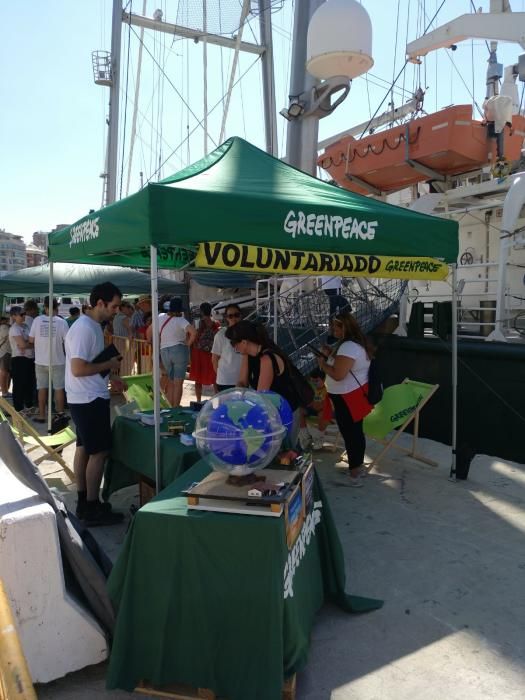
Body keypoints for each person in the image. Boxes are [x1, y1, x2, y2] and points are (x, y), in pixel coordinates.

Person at [65, 282, 126, 526]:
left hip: (85, 396)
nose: (117, 310)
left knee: (84, 448)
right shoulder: (84, 328)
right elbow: (79, 368)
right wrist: (109, 365)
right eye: (114, 306)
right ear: (99, 303)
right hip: (88, 398)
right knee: (99, 452)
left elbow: (89, 363)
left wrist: (111, 376)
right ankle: (91, 505)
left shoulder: (90, 326)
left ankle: (84, 500)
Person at [316, 311, 372, 486]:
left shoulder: (348, 347)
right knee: (355, 432)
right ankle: (358, 469)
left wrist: (322, 364)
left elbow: (338, 374)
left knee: (351, 434)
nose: (332, 329)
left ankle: (354, 474)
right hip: (353, 395)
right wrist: (330, 354)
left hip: (348, 397)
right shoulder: (354, 344)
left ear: (345, 327)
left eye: (335, 326)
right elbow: (345, 364)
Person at [225, 320, 301, 445]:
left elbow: (260, 395)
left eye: (233, 343)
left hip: (285, 412)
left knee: (285, 454)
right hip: (271, 411)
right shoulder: (248, 354)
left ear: (244, 342)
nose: (233, 347)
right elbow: (242, 381)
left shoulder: (267, 359)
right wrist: (238, 394)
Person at [147, 297, 196, 407]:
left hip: (164, 352)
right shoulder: (181, 320)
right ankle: (175, 408)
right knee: (178, 384)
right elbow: (193, 332)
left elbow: (149, 332)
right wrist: (188, 343)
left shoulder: (160, 317)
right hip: (179, 350)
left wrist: (151, 343)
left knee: (171, 381)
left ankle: (170, 407)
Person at [28, 296, 69, 423]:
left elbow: (31, 340)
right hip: (58, 361)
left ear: (44, 307)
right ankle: (60, 414)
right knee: (59, 388)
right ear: (57, 307)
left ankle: (42, 415)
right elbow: (67, 341)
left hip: (40, 361)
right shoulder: (62, 322)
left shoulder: (37, 321)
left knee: (42, 388)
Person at [8, 307, 36, 414]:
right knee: (19, 384)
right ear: (14, 316)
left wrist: (27, 344)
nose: (24, 316)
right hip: (19, 359)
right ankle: (18, 408)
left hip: (29, 358)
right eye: (21, 314)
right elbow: (23, 344)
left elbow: (31, 341)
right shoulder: (14, 329)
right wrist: (28, 343)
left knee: (29, 383)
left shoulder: (25, 326)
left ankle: (29, 406)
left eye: (24, 313)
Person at [189, 302, 220, 401]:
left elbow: (193, 337)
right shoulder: (216, 323)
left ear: (201, 311)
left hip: (198, 353)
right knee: (214, 379)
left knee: (198, 379)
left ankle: (198, 400)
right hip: (211, 353)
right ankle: (217, 401)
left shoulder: (197, 323)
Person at [211, 303, 243, 392]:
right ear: (226, 318)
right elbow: (214, 359)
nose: (234, 318)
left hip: (243, 380)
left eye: (236, 315)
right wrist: (220, 375)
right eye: (230, 316)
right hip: (225, 381)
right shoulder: (220, 335)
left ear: (240, 316)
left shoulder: (247, 333)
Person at [299, 368, 332, 450]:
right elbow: (316, 400)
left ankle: (319, 439)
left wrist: (318, 406)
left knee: (322, 414)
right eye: (313, 381)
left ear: (324, 379)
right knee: (300, 411)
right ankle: (306, 436)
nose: (314, 383)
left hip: (325, 409)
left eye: (316, 381)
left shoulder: (327, 388)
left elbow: (326, 405)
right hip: (316, 408)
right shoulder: (316, 388)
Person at [0, 316, 12, 397]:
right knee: (4, 372)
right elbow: (9, 335)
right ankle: (4, 391)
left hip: (5, 352)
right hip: (5, 352)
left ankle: (5, 390)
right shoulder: (4, 327)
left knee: (6, 372)